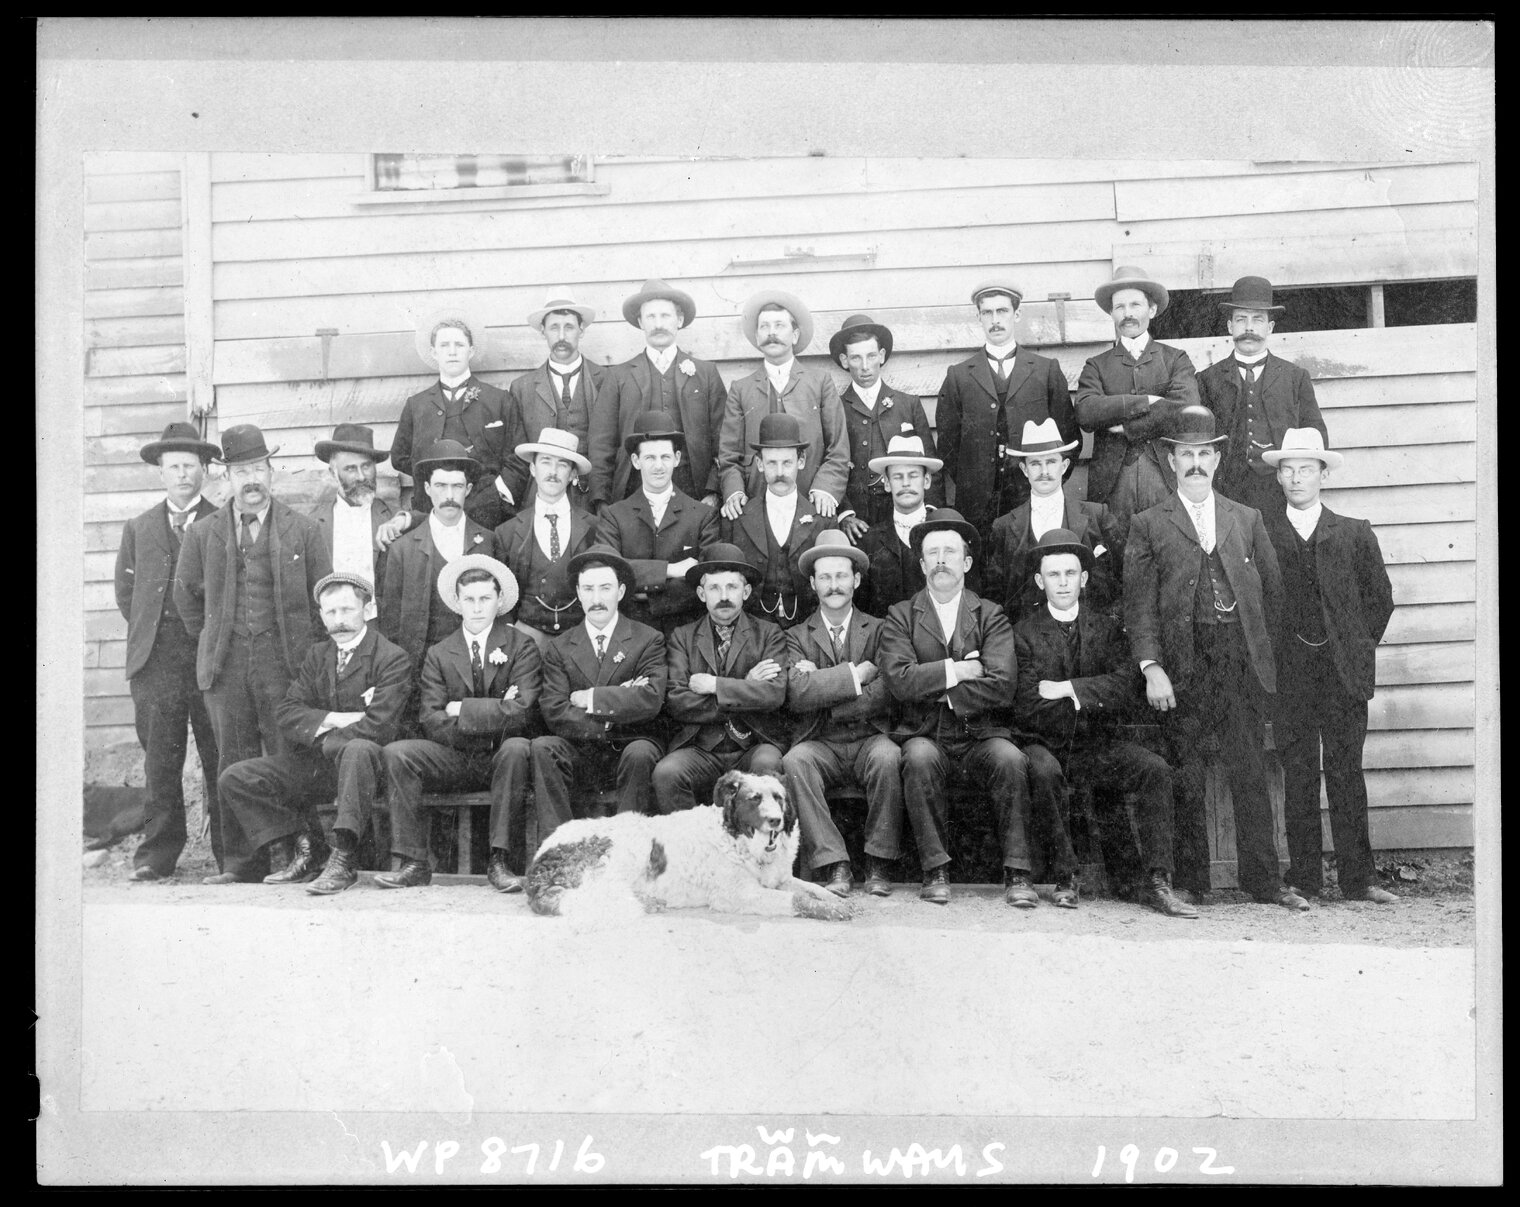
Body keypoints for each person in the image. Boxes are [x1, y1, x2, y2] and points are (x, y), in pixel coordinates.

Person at [1124, 405, 1304, 909]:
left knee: (1248, 768)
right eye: (1187, 454)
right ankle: (1192, 882)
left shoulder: (1246, 518)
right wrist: (1151, 667)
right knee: (1185, 770)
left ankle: (1264, 881)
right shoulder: (1148, 524)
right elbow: (1138, 607)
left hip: (1238, 659)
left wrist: (1263, 658)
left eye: (1205, 453)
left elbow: (1273, 594)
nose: (1196, 462)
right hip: (1182, 660)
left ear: (1218, 459)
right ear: (1172, 461)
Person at [174, 424, 332, 882]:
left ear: (272, 471)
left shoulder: (302, 530)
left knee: (287, 756)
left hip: (286, 664)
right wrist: (215, 636)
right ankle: (242, 863)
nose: (251, 479)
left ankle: (304, 856)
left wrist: (303, 655)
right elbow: (187, 598)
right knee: (233, 759)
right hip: (226, 665)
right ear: (226, 478)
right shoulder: (203, 534)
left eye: (258, 468)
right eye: (241, 470)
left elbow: (322, 595)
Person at [1011, 530, 1196, 917]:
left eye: (1070, 574)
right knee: (1043, 771)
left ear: (1084, 579)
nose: (1063, 582)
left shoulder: (1108, 628)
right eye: (1054, 575)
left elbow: (1125, 688)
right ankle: (1065, 878)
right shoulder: (1023, 634)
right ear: (1040, 581)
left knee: (1154, 770)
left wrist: (1066, 688)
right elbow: (1027, 704)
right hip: (1047, 743)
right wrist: (1092, 698)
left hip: (1097, 744)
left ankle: (1159, 880)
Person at [878, 508, 1040, 907]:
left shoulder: (990, 614)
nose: (941, 561)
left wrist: (937, 686)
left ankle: (1018, 872)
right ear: (921, 565)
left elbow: (1003, 686)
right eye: (932, 553)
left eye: (950, 552)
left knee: (1009, 759)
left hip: (981, 734)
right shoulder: (901, 615)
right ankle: (935, 869)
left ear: (966, 562)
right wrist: (960, 669)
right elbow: (900, 681)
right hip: (926, 732)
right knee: (916, 758)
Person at [1261, 429, 1397, 904]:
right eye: (1288, 469)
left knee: (1345, 772)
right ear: (1278, 476)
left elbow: (1380, 600)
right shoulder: (1263, 531)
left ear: (1323, 475)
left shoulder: (1354, 532)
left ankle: (1359, 880)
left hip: (1342, 675)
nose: (1297, 478)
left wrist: (1354, 647)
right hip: (1291, 675)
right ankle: (1304, 879)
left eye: (1306, 469)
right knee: (1298, 774)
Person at [214, 572, 411, 892]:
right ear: (320, 615)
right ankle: (308, 846)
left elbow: (381, 725)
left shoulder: (391, 658)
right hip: (323, 765)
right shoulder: (318, 656)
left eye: (347, 610)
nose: (339, 620)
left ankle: (343, 860)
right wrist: (336, 717)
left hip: (371, 770)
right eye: (330, 612)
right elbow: (288, 712)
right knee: (236, 777)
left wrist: (323, 729)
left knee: (358, 749)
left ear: (367, 610)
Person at [379, 556, 541, 893]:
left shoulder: (520, 645)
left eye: (485, 599)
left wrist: (461, 709)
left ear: (499, 602)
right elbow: (432, 718)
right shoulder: (440, 653)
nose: (478, 608)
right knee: (398, 753)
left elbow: (522, 711)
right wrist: (497, 708)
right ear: (457, 603)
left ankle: (500, 860)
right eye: (469, 599)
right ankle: (413, 862)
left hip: (502, 756)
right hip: (455, 756)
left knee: (516, 747)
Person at [114, 422, 222, 880]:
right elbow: (127, 595)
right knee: (161, 761)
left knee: (220, 754)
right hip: (157, 662)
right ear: (160, 472)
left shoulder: (222, 522)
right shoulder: (139, 529)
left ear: (205, 472)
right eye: (173, 466)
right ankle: (158, 854)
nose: (182, 475)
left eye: (191, 467)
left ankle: (233, 854)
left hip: (209, 658)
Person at [782, 529, 903, 898]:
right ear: (813, 584)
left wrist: (824, 686)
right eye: (825, 577)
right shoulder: (797, 635)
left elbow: (886, 689)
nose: (834, 585)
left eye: (841, 575)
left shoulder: (881, 629)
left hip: (870, 737)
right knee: (795, 761)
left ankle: (879, 863)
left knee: (889, 756)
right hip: (821, 743)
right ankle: (835, 863)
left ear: (857, 580)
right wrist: (855, 675)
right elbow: (796, 694)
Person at [532, 545, 667, 838]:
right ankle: (561, 852)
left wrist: (589, 698)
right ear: (578, 594)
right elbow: (555, 709)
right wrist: (615, 706)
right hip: (583, 750)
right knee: (544, 747)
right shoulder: (559, 646)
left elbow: (650, 699)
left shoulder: (647, 639)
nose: (596, 599)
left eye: (605, 588)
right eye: (588, 589)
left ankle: (626, 851)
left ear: (620, 592)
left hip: (630, 748)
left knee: (641, 752)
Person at [653, 543, 789, 813]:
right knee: (667, 772)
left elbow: (774, 694)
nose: (723, 596)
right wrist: (747, 686)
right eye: (714, 588)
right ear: (702, 594)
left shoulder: (769, 634)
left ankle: (761, 851)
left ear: (746, 592)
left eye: (732, 587)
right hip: (700, 748)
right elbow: (677, 700)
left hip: (753, 745)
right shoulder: (683, 637)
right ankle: (692, 852)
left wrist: (715, 686)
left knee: (768, 765)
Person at [935, 282, 1077, 530]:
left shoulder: (1045, 371)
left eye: (1002, 311)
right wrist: (974, 480)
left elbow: (1069, 436)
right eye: (987, 313)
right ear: (978, 317)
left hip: (1031, 494)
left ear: (1017, 315)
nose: (995, 320)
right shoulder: (959, 376)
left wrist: (1046, 483)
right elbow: (948, 444)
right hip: (977, 502)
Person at [1075, 267, 1200, 528]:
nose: (1128, 313)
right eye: (1119, 307)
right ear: (1111, 313)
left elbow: (1187, 411)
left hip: (1166, 478)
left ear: (1151, 310)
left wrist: (1129, 426)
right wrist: (1147, 402)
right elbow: (1086, 412)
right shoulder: (1097, 365)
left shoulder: (1174, 358)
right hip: (1112, 486)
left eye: (1135, 305)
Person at [587, 278, 727, 510]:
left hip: (693, 492)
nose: (658, 324)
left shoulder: (706, 374)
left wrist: (713, 491)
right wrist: (602, 500)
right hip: (633, 491)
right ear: (641, 322)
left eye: (665, 316)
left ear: (679, 320)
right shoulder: (619, 377)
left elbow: (722, 440)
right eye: (651, 317)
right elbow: (601, 443)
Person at [378, 440, 500, 706]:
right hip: (422, 670)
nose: (449, 495)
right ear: (426, 489)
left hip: (476, 668)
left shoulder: (488, 542)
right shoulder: (402, 549)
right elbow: (390, 625)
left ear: (468, 489)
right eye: (441, 486)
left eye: (457, 486)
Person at [1197, 276, 1330, 517]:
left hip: (1280, 492)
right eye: (1241, 319)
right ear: (1229, 326)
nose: (1249, 328)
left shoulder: (1294, 377)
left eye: (1257, 320)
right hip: (1226, 491)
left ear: (1269, 328)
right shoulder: (1207, 379)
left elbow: (1315, 434)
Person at [717, 290, 850, 523]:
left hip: (813, 502)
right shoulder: (741, 389)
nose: (772, 333)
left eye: (779, 325)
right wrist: (735, 492)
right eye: (764, 327)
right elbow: (729, 455)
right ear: (757, 337)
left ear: (795, 335)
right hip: (756, 505)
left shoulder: (819, 383)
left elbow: (838, 448)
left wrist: (825, 489)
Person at [983, 419, 1122, 628]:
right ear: (1024, 469)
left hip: (1089, 636)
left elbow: (1124, 578)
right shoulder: (1003, 526)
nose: (1044, 470)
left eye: (1051, 462)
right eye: (1035, 463)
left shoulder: (1096, 516)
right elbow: (995, 595)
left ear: (1064, 466)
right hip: (1026, 639)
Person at [597, 412, 720, 635]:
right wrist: (672, 570)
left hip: (685, 634)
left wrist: (647, 595)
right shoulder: (614, 515)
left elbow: (706, 579)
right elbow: (610, 572)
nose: (658, 466)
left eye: (665, 457)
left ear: (677, 458)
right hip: (628, 634)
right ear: (636, 461)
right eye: (650, 458)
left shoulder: (702, 515)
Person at [390, 307, 512, 528]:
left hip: (487, 510)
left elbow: (515, 455)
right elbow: (399, 457)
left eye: (459, 345)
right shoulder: (417, 405)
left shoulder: (498, 400)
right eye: (444, 346)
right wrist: (432, 477)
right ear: (434, 353)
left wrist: (496, 492)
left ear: (471, 351)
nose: (452, 352)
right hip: (431, 509)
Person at [826, 312, 940, 539]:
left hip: (904, 512)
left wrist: (930, 512)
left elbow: (930, 467)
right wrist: (845, 514)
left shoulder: (908, 404)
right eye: (856, 358)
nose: (865, 366)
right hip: (857, 520)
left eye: (870, 356)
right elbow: (829, 465)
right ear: (844, 360)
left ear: (881, 355)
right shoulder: (835, 409)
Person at [724, 412, 836, 630]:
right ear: (759, 463)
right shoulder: (737, 518)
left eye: (787, 463)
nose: (780, 472)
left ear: (801, 461)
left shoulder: (822, 518)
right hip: (753, 633)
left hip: (808, 631)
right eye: (772, 463)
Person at [492, 428, 600, 649]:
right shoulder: (507, 531)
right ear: (532, 468)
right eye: (545, 462)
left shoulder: (593, 527)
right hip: (525, 639)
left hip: (581, 639)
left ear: (572, 475)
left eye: (562, 465)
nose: (553, 471)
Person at [498, 294, 607, 510]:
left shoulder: (606, 380)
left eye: (569, 327)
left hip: (592, 500)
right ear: (542, 332)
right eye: (554, 328)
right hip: (540, 498)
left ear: (581, 330)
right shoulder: (522, 388)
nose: (561, 336)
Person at [855, 434, 960, 615]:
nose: (905, 483)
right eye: (897, 477)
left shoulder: (945, 533)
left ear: (926, 481)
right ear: (887, 483)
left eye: (913, 476)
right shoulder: (869, 541)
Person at [307, 423, 395, 622]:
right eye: (350, 469)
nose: (362, 476)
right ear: (333, 473)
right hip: (333, 628)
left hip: (380, 627)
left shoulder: (393, 517)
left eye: (366, 466)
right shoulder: (313, 524)